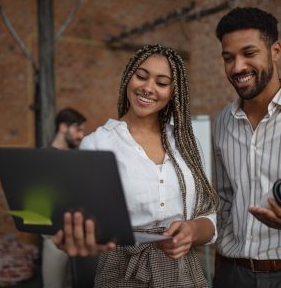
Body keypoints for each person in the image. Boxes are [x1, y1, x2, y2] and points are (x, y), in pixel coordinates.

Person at [53, 44, 219, 287]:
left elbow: (209, 216)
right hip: (121, 272)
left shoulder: (186, 143)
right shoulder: (97, 143)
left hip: (183, 274)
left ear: (173, 92)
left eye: (162, 83)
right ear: (129, 77)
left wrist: (192, 231)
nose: (148, 88)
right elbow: (81, 218)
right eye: (141, 76)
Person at [212, 7, 281, 288]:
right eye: (229, 58)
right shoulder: (223, 121)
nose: (238, 67)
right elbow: (223, 200)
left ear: (275, 51)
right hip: (232, 274)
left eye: (249, 53)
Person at [42, 107, 87, 288]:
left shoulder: (77, 157)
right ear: (63, 127)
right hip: (53, 237)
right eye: (78, 129)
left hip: (80, 236)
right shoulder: (42, 158)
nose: (81, 135)